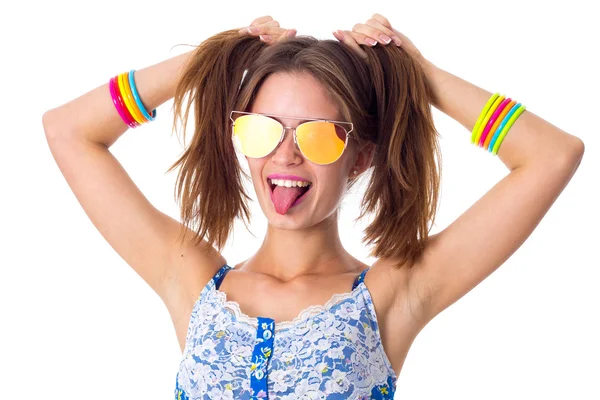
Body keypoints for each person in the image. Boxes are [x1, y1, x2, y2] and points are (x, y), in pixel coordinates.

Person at [42, 13, 584, 399]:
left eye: (319, 135)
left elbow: (551, 155)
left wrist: (419, 76)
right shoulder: (190, 278)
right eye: (262, 129)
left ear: (359, 158)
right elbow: (67, 130)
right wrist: (213, 62)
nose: (286, 153)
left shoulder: (394, 292)